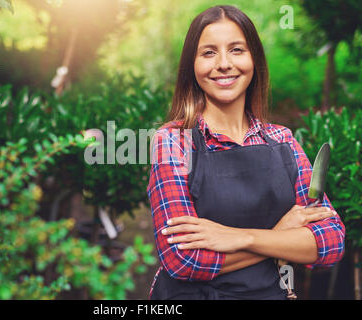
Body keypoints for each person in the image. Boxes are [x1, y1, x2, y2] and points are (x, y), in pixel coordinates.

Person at [146, 5, 345, 300]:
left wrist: (241, 237)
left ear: (254, 60)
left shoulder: (283, 141)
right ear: (193, 65)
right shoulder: (174, 142)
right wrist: (282, 234)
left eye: (237, 50)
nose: (224, 64)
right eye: (209, 52)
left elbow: (331, 242)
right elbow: (183, 260)